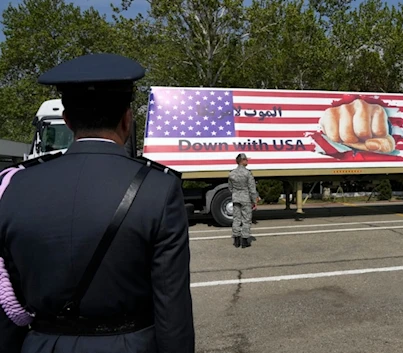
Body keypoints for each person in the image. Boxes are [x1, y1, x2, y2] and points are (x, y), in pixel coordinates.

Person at [0, 53, 195, 353]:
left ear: (67, 121)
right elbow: (172, 308)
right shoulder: (159, 188)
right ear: (127, 119)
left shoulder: (15, 186)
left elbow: (6, 306)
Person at [228, 153, 259, 248]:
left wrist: (235, 194)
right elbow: (252, 188)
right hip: (245, 198)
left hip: (236, 198)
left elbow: (230, 187)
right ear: (242, 161)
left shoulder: (232, 173)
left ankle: (236, 240)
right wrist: (254, 200)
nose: (247, 161)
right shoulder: (248, 173)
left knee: (236, 219)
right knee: (246, 219)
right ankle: (245, 240)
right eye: (246, 159)